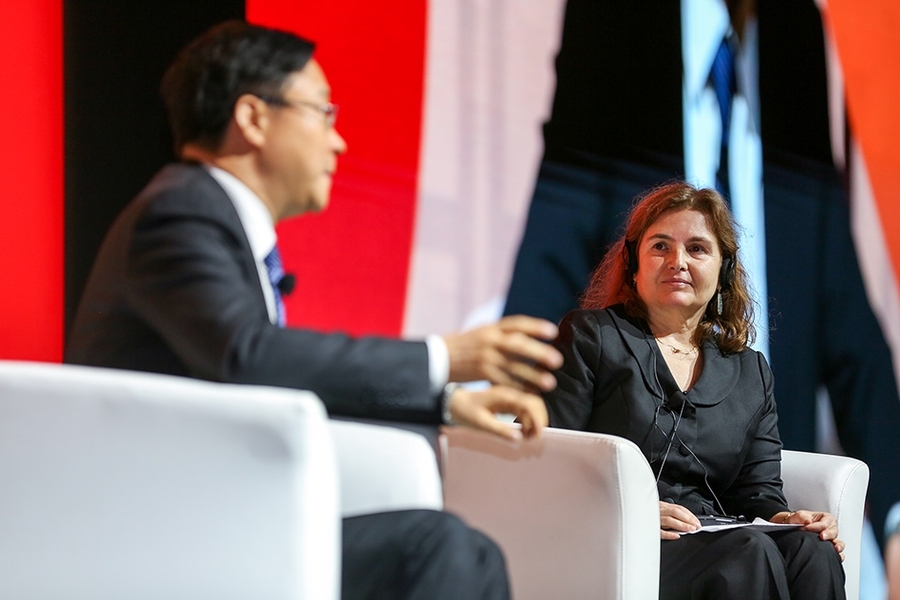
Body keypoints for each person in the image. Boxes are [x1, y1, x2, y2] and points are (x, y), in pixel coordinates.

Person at [65, 20, 564, 600]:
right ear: (253, 117)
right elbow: (247, 356)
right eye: (323, 113)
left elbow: (267, 369)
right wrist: (444, 357)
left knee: (470, 553)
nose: (339, 140)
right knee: (439, 548)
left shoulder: (204, 214)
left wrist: (446, 400)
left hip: (211, 515)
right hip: (160, 534)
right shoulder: (179, 212)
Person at [544, 181, 845, 599]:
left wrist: (786, 517)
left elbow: (757, 491)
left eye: (697, 249)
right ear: (634, 264)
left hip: (717, 535)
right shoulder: (591, 337)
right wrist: (629, 510)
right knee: (749, 550)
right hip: (621, 539)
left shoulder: (749, 370)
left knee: (811, 550)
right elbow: (547, 460)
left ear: (723, 271)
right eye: (660, 247)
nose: (677, 261)